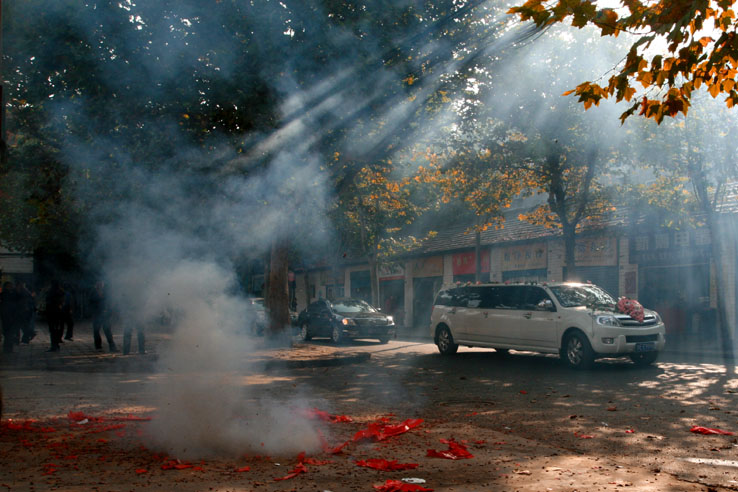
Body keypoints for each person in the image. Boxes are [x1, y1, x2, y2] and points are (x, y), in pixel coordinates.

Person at [89, 281, 117, 352]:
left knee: (107, 330)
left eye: (101, 283)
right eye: (99, 283)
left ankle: (112, 346)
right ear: (96, 285)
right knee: (96, 331)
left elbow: (109, 302)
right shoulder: (93, 293)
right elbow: (90, 303)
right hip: (97, 314)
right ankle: (98, 346)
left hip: (105, 315)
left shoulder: (105, 292)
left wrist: (109, 311)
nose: (101, 285)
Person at [44, 280, 66, 352]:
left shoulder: (51, 292)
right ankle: (56, 344)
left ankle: (54, 345)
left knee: (52, 330)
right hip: (59, 313)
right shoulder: (61, 292)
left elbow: (47, 301)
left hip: (51, 313)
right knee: (57, 329)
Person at [1, 281, 19, 353]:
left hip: (8, 315)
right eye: (9, 286)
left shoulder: (5, 294)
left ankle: (8, 348)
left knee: (8, 333)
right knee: (9, 333)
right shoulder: (7, 294)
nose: (11, 287)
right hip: (8, 315)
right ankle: (8, 348)